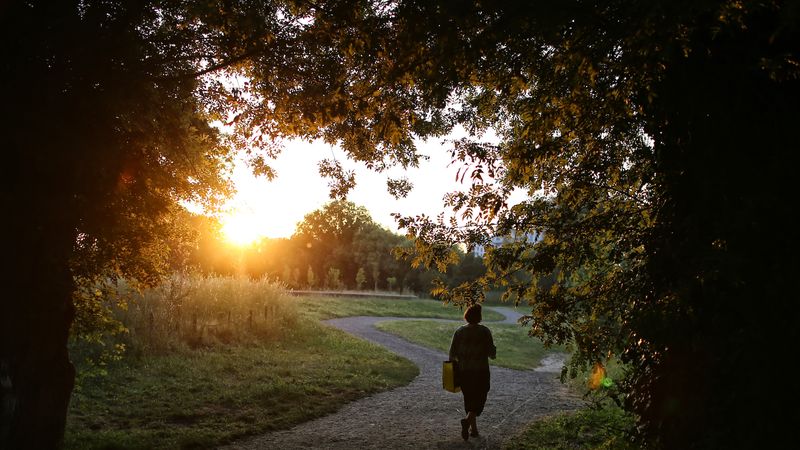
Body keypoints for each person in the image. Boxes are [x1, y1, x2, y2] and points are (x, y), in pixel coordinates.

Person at [448, 303, 496, 440]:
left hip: (464, 372)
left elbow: (452, 354)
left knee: (469, 399)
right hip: (480, 371)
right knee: (480, 397)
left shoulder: (459, 331)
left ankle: (473, 430)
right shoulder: (484, 331)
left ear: (467, 315)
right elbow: (492, 353)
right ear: (479, 317)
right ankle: (468, 421)